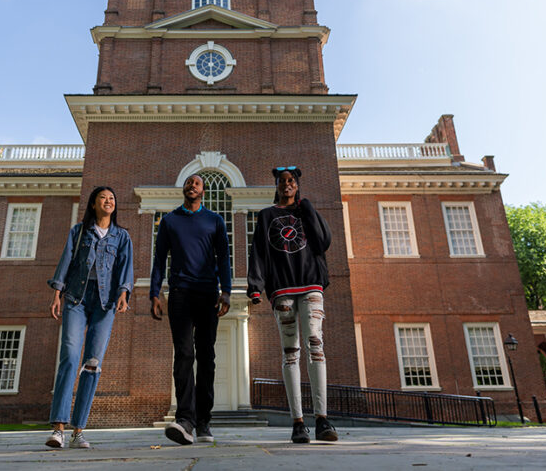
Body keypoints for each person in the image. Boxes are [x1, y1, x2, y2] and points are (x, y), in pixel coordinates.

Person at [247, 166, 338, 443]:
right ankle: (298, 422)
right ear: (276, 185)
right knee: (290, 352)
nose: (287, 185)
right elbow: (259, 251)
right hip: (283, 289)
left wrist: (306, 207)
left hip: (311, 284)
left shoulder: (305, 211)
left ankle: (322, 419)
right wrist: (255, 287)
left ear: (297, 186)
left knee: (315, 343)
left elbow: (323, 242)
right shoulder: (266, 216)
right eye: (282, 181)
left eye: (291, 181)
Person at [45, 186, 133, 449]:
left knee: (92, 364)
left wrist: (124, 293)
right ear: (94, 204)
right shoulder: (79, 231)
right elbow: (66, 261)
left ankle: (78, 431)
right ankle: (58, 429)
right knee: (70, 357)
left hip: (105, 304)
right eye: (103, 198)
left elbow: (125, 268)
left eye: (112, 199)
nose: (108, 201)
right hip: (76, 298)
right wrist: (57, 293)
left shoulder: (122, 236)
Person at [149, 173, 232, 445]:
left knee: (206, 357)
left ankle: (204, 421)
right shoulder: (170, 221)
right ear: (183, 189)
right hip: (180, 293)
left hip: (208, 293)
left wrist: (226, 291)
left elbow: (224, 258)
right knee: (184, 355)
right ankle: (185, 419)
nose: (191, 185)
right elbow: (159, 258)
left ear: (203, 191)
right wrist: (154, 292)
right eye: (187, 182)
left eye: (196, 183)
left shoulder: (215, 221)